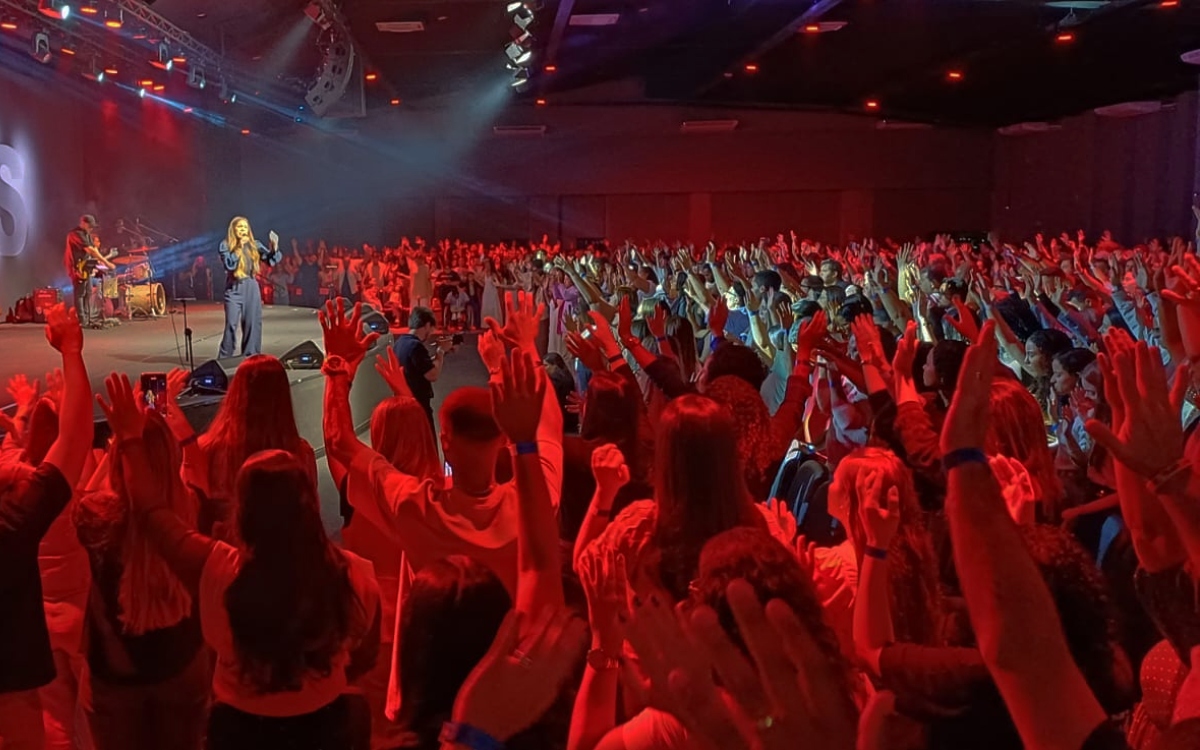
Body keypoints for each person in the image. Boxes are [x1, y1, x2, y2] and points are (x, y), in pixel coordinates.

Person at [0, 305, 92, 750]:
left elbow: (15, 457)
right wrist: (71, 353)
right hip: (69, 625)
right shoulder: (16, 520)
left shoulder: (13, 482)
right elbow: (75, 444)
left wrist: (20, 420)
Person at [217, 216, 281, 358]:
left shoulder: (255, 245)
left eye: (245, 227)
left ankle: (250, 355)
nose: (243, 230)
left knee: (252, 323)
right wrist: (239, 247)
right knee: (231, 324)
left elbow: (270, 260)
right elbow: (229, 265)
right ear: (233, 229)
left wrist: (274, 248)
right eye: (240, 227)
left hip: (251, 286)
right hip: (234, 288)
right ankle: (225, 357)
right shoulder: (226, 245)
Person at [393, 306, 449, 438]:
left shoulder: (400, 342)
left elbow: (419, 365)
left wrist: (439, 356)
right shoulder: (416, 346)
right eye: (431, 328)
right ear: (427, 325)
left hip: (404, 402)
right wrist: (441, 351)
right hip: (418, 404)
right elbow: (432, 374)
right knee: (425, 444)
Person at [63, 215, 112, 330]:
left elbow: (92, 250)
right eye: (90, 226)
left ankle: (88, 317)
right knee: (80, 293)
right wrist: (106, 262)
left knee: (88, 291)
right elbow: (89, 249)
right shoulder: (75, 234)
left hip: (85, 267)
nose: (91, 229)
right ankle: (82, 320)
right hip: (76, 267)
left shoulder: (87, 235)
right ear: (83, 223)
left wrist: (97, 263)